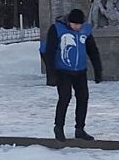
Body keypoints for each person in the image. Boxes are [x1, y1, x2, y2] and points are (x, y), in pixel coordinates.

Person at [42, 9, 103, 142]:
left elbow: (93, 51)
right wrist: (51, 74)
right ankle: (58, 127)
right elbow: (50, 52)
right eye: (74, 24)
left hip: (80, 71)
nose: (76, 27)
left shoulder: (85, 30)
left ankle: (80, 129)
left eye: (79, 24)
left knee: (83, 98)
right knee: (65, 97)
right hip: (62, 71)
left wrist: (98, 71)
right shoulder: (57, 29)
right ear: (68, 21)